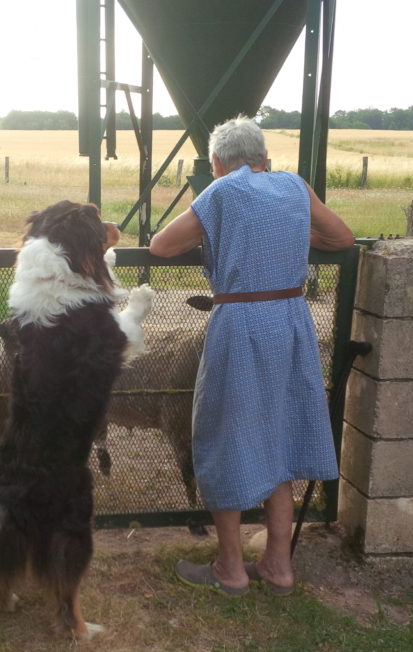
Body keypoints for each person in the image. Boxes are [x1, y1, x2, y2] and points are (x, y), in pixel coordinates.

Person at [149, 115, 354, 596]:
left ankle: (231, 569)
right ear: (266, 160)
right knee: (279, 437)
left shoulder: (221, 192)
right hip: (291, 322)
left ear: (217, 163)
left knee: (225, 437)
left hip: (239, 325)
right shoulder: (294, 187)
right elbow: (342, 239)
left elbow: (161, 245)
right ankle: (279, 568)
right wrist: (289, 238)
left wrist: (220, 237)